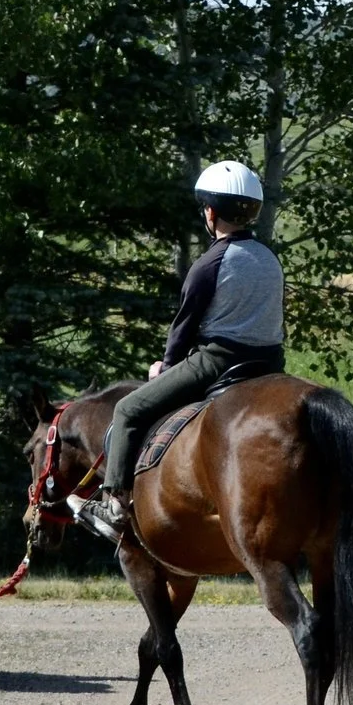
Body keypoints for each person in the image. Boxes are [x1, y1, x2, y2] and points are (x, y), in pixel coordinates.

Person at [78, 161, 284, 542]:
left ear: (210, 211)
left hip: (218, 362)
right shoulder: (269, 259)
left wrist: (166, 368)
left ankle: (115, 505)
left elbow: (185, 326)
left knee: (128, 409)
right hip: (270, 365)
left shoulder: (210, 263)